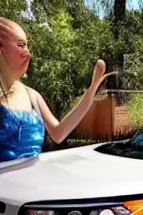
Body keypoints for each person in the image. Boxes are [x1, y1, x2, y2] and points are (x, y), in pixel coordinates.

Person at [0, 17, 116, 164]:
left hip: (34, 183)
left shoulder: (32, 96)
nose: (28, 54)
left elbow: (59, 133)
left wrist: (90, 92)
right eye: (20, 45)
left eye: (27, 46)